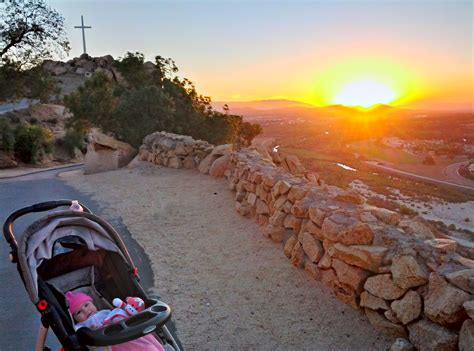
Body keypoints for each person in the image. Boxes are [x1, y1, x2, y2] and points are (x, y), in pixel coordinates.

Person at [65, 291, 164, 351]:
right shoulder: (80, 326)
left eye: (86, 305)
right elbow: (80, 338)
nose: (86, 311)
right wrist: (89, 332)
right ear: (75, 318)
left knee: (140, 336)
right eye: (79, 312)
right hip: (109, 343)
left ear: (92, 302)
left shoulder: (104, 312)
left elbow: (118, 316)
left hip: (123, 332)